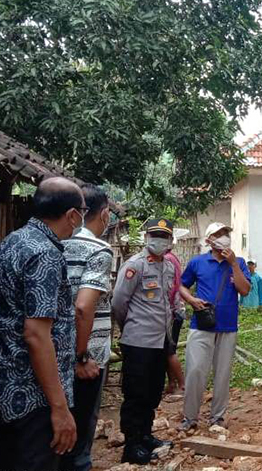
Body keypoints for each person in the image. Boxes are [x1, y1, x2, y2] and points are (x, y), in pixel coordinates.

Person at [0, 177, 84, 471]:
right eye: (82, 213)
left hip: (9, 388)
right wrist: (59, 409)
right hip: (35, 398)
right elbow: (36, 334)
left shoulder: (13, 241)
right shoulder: (45, 254)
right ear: (72, 214)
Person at [112, 218, 176, 464]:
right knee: (135, 394)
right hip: (138, 341)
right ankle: (131, 444)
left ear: (170, 241)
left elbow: (167, 304)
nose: (159, 240)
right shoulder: (134, 266)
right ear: (146, 237)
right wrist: (131, 327)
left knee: (152, 392)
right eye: (155, 235)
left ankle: (146, 435)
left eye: (163, 236)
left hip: (160, 342)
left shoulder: (168, 267)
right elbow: (119, 303)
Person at [59, 184, 114, 471]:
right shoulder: (99, 250)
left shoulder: (56, 242)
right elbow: (84, 306)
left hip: (51, 353)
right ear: (103, 214)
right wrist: (82, 355)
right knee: (81, 427)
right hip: (86, 356)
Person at [179, 222, 251, 430]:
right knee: (195, 372)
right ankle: (190, 417)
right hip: (201, 324)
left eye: (226, 234)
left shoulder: (238, 262)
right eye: (218, 234)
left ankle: (217, 417)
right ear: (209, 240)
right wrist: (192, 300)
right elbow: (181, 285)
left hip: (228, 327)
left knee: (222, 374)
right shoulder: (197, 263)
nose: (223, 238)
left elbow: (244, 290)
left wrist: (234, 265)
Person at [164, 248, 185, 394]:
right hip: (177, 310)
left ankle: (181, 384)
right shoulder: (174, 258)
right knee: (168, 349)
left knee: (169, 350)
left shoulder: (167, 260)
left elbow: (170, 288)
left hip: (172, 311)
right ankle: (172, 384)